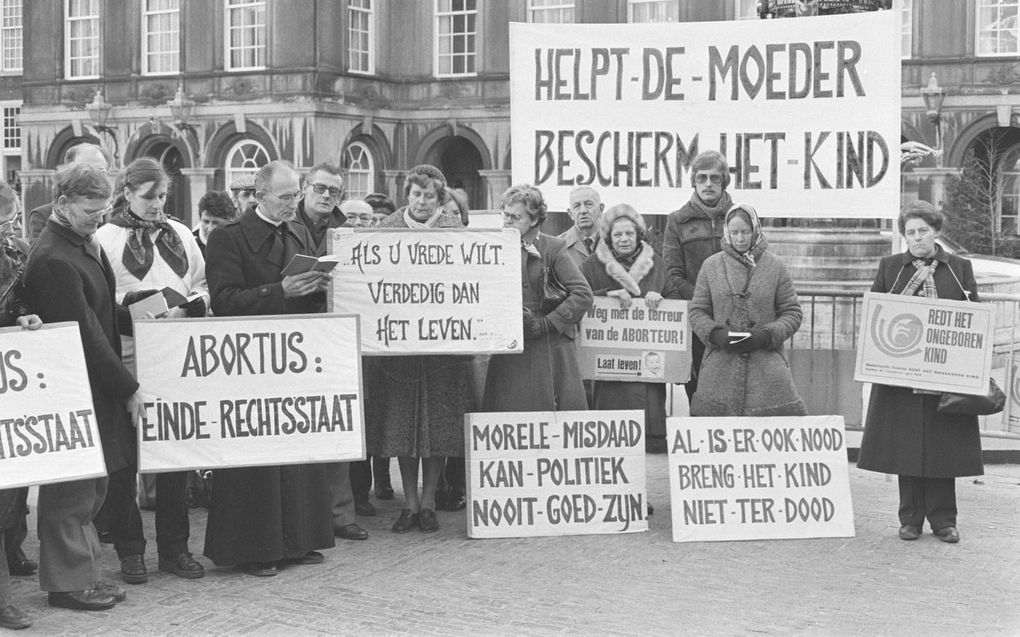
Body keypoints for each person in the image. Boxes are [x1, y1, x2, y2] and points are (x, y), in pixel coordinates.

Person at [24, 163, 146, 610]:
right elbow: (85, 334)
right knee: (72, 492)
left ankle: (85, 575)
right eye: (90, 211)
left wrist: (137, 315)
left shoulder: (77, 242)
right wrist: (127, 386)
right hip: (75, 389)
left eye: (102, 209)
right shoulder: (55, 256)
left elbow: (97, 314)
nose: (99, 218)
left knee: (92, 488)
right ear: (62, 204)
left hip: (88, 387)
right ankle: (68, 583)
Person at [204, 160, 335, 576]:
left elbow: (302, 294)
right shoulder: (228, 238)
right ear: (259, 197)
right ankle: (254, 549)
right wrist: (279, 291)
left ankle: (297, 541)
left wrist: (317, 288)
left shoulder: (296, 231)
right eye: (285, 197)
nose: (293, 203)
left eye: (296, 195)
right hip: (247, 362)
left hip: (290, 358)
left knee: (295, 451)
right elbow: (223, 301)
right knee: (255, 461)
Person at [94, 158, 209, 584]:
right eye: (149, 197)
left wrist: (193, 305)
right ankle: (130, 550)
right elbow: (101, 299)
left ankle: (175, 549)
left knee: (174, 456)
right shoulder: (105, 238)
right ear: (126, 192)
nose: (158, 204)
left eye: (163, 196)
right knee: (126, 462)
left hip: (177, 357)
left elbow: (202, 282)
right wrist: (133, 309)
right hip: (127, 357)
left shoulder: (180, 234)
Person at [857, 201, 982, 544]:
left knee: (944, 443)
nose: (917, 238)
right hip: (903, 370)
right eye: (910, 232)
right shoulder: (891, 267)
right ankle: (910, 518)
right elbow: (876, 313)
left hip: (944, 373)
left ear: (936, 231)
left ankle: (943, 520)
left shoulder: (959, 268)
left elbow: (973, 317)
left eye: (923, 231)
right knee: (906, 444)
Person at [367, 164, 477, 534]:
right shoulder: (384, 231)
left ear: (439, 198)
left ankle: (429, 501)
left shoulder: (456, 233)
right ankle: (408, 503)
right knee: (403, 426)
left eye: (429, 196)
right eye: (416, 194)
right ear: (407, 195)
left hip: (442, 347)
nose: (422, 202)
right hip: (398, 348)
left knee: (437, 426)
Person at [290, 163, 367, 542]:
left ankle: (341, 511)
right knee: (297, 426)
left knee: (338, 421)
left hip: (336, 335)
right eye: (320, 188)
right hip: (293, 334)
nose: (326, 196)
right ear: (305, 187)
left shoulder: (348, 231)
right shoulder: (285, 225)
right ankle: (304, 513)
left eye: (334, 191)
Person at [687, 203, 807, 417]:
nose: (740, 238)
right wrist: (716, 334)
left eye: (745, 232)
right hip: (719, 367)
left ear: (755, 230)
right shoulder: (710, 266)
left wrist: (766, 335)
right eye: (734, 233)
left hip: (767, 370)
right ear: (727, 232)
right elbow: (697, 311)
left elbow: (792, 312)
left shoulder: (776, 266)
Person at [482, 184, 592, 413]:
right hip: (511, 348)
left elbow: (583, 294)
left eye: (516, 217)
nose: (508, 222)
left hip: (551, 347)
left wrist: (546, 323)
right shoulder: (494, 246)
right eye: (506, 215)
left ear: (533, 220)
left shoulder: (552, 247)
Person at [580, 203, 678, 449]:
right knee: (611, 428)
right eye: (618, 234)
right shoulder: (591, 266)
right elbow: (577, 297)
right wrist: (606, 294)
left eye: (630, 234)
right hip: (608, 362)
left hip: (647, 366)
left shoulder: (656, 263)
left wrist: (662, 300)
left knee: (649, 426)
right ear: (609, 238)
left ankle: (652, 438)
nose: (624, 239)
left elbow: (677, 302)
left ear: (638, 235)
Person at [0, 183, 43, 631]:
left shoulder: (15, 253)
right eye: (4, 223)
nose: (11, 230)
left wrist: (22, 317)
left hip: (8, 382)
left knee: (10, 493)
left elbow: (19, 301)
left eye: (13, 220)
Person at [663, 150, 732, 404]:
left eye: (715, 178)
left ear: (724, 180)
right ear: (693, 181)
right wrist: (704, 302)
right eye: (701, 178)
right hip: (697, 322)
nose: (708, 184)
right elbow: (672, 275)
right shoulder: (677, 221)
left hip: (735, 320)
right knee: (699, 392)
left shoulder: (740, 218)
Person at [27, 143, 111, 243]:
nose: (93, 178)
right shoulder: (43, 217)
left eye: (100, 171)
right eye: (84, 171)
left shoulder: (118, 215)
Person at [559, 185, 605, 268]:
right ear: (570, 213)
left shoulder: (615, 242)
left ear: (601, 209)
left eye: (589, 204)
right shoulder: (557, 246)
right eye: (577, 206)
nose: (583, 211)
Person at [193, 190, 237, 256]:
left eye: (216, 223)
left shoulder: (238, 243)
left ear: (229, 222)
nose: (210, 229)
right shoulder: (191, 244)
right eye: (206, 221)